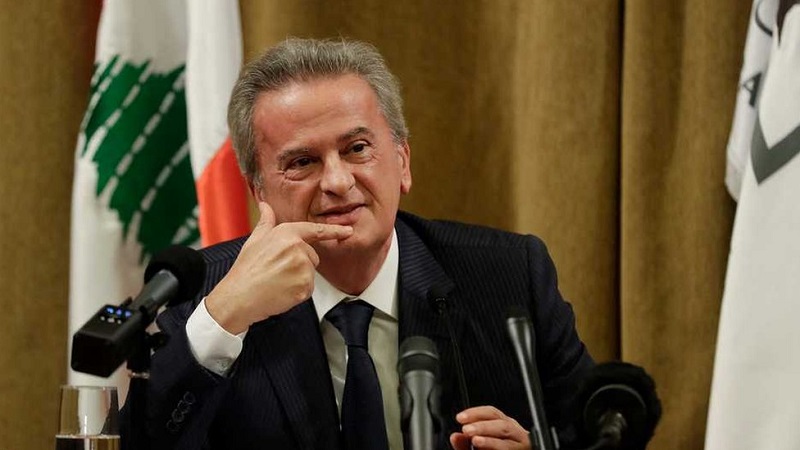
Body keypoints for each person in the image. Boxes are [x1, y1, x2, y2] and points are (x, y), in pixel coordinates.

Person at [122, 38, 593, 450]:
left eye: (357, 149)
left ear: (402, 162)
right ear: (258, 191)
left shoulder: (508, 275)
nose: (337, 181)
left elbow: (603, 431)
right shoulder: (204, 294)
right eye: (302, 162)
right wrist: (225, 317)